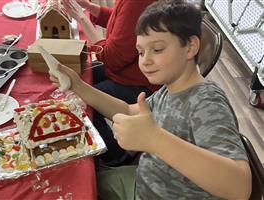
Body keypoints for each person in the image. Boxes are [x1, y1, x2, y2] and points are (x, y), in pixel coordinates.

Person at [50, 0, 252, 199]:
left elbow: (239, 187)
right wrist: (77, 86)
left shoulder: (206, 102)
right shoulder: (171, 88)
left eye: (157, 50)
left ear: (190, 48)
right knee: (73, 179)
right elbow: (128, 111)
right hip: (144, 179)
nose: (145, 61)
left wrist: (155, 140)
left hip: (154, 192)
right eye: (140, 52)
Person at [62, 0, 158, 165]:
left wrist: (82, 19)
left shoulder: (137, 3)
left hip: (140, 83)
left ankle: (115, 156)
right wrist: (90, 8)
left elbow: (111, 58)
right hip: (124, 71)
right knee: (82, 75)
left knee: (84, 102)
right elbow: (124, 25)